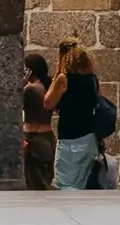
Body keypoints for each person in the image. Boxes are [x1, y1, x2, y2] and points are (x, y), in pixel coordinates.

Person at [47, 38, 103, 191]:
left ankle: (69, 213)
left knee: (66, 184)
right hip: (90, 137)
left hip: (70, 140)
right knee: (83, 183)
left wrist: (56, 75)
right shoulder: (92, 79)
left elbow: (48, 102)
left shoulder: (63, 79)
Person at [20, 48, 56, 190]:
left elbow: (14, 105)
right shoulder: (48, 88)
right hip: (48, 137)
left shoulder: (30, 89)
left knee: (33, 183)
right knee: (45, 181)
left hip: (32, 138)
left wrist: (21, 84)